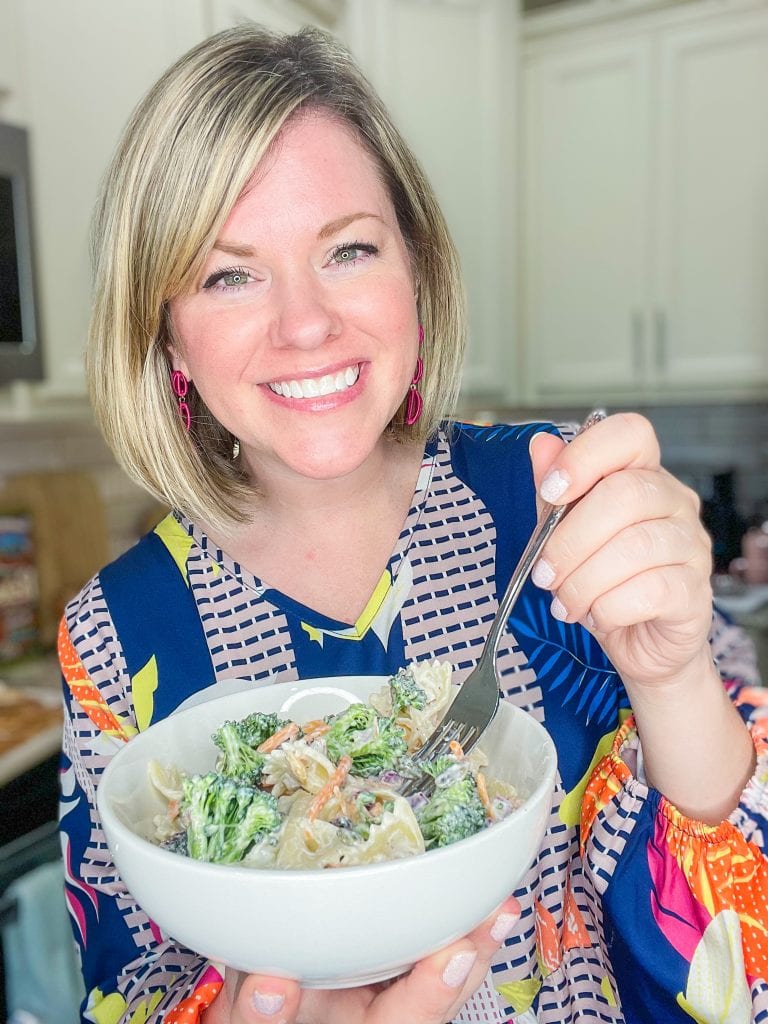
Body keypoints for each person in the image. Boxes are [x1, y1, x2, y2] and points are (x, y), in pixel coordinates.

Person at [57, 21, 768, 1024]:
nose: (306, 324)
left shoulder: (557, 504)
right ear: (168, 335)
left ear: (417, 277)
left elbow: (742, 955)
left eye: (348, 249)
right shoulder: (113, 636)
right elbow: (129, 992)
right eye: (230, 272)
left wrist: (675, 677)